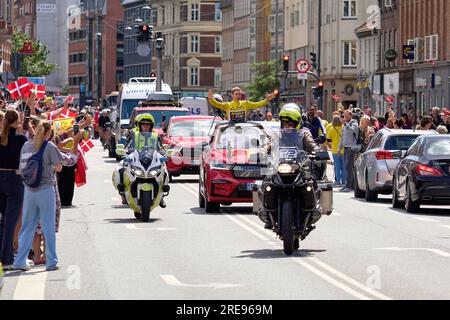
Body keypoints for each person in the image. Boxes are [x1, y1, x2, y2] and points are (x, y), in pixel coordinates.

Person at [13, 121, 64, 272]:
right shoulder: (49, 146)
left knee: (27, 226)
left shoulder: (26, 146)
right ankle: (51, 261)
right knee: (48, 226)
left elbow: (22, 169)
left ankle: (20, 260)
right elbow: (59, 167)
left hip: (29, 190)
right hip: (46, 189)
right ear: (48, 133)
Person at [120, 113, 169, 208]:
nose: (146, 126)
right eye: (143, 124)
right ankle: (122, 192)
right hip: (136, 158)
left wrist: (165, 154)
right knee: (121, 169)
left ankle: (161, 195)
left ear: (151, 126)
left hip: (151, 159)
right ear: (139, 125)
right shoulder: (134, 134)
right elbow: (127, 146)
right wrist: (125, 152)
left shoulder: (155, 135)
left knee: (164, 170)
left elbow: (160, 148)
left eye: (148, 124)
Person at [0, 110, 28, 271]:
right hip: (14, 179)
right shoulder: (20, 139)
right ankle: (8, 259)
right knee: (10, 221)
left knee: (3, 221)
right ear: (16, 122)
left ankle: (3, 257)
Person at [208, 87, 277, 121]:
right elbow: (217, 104)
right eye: (236, 94)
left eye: (239, 94)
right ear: (232, 95)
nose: (238, 96)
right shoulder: (227, 105)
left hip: (243, 128)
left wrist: (267, 99)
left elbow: (258, 104)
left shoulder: (245, 104)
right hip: (230, 129)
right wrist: (210, 98)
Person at [338, 110, 359, 192]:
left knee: (349, 167)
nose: (345, 118)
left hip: (351, 148)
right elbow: (342, 137)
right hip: (346, 147)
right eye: (344, 116)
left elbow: (352, 131)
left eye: (347, 116)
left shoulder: (354, 124)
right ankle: (348, 184)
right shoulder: (345, 125)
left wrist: (345, 123)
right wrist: (339, 148)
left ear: (351, 116)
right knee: (347, 167)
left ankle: (350, 185)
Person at [326, 115, 345, 187]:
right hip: (343, 149)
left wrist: (330, 146)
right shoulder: (343, 128)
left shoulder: (332, 129)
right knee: (343, 166)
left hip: (335, 150)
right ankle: (344, 181)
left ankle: (337, 181)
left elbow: (328, 140)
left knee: (337, 166)